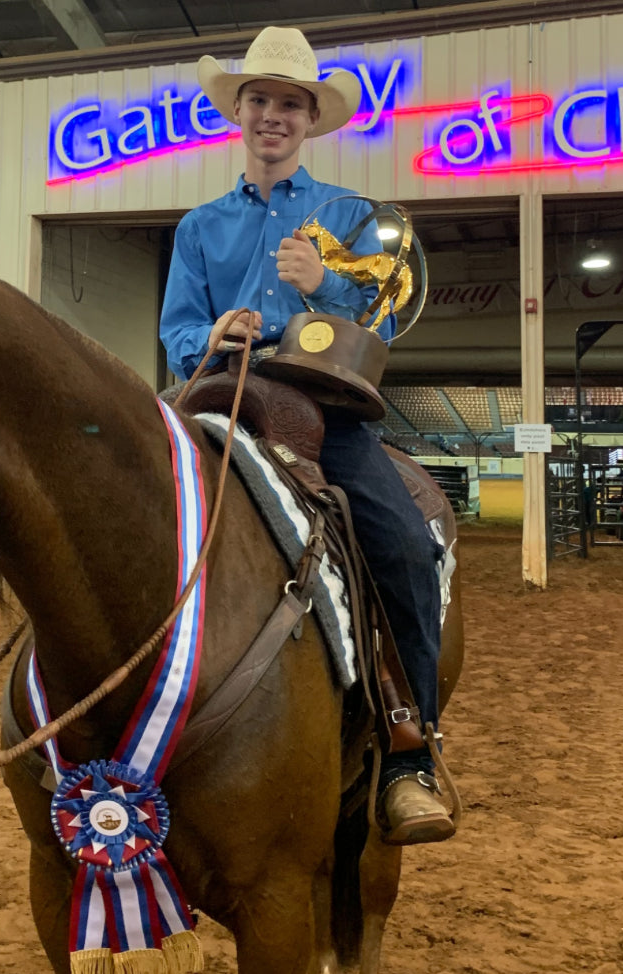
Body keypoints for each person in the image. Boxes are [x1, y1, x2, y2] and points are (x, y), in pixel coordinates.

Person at [159, 26, 452, 845]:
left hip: (321, 409)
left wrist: (326, 287)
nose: (273, 115)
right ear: (240, 113)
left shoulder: (350, 216)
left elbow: (388, 316)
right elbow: (176, 328)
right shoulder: (198, 227)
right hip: (219, 392)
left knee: (400, 544)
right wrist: (212, 329)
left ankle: (406, 748)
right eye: (260, 100)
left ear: (310, 119)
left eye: (290, 103)